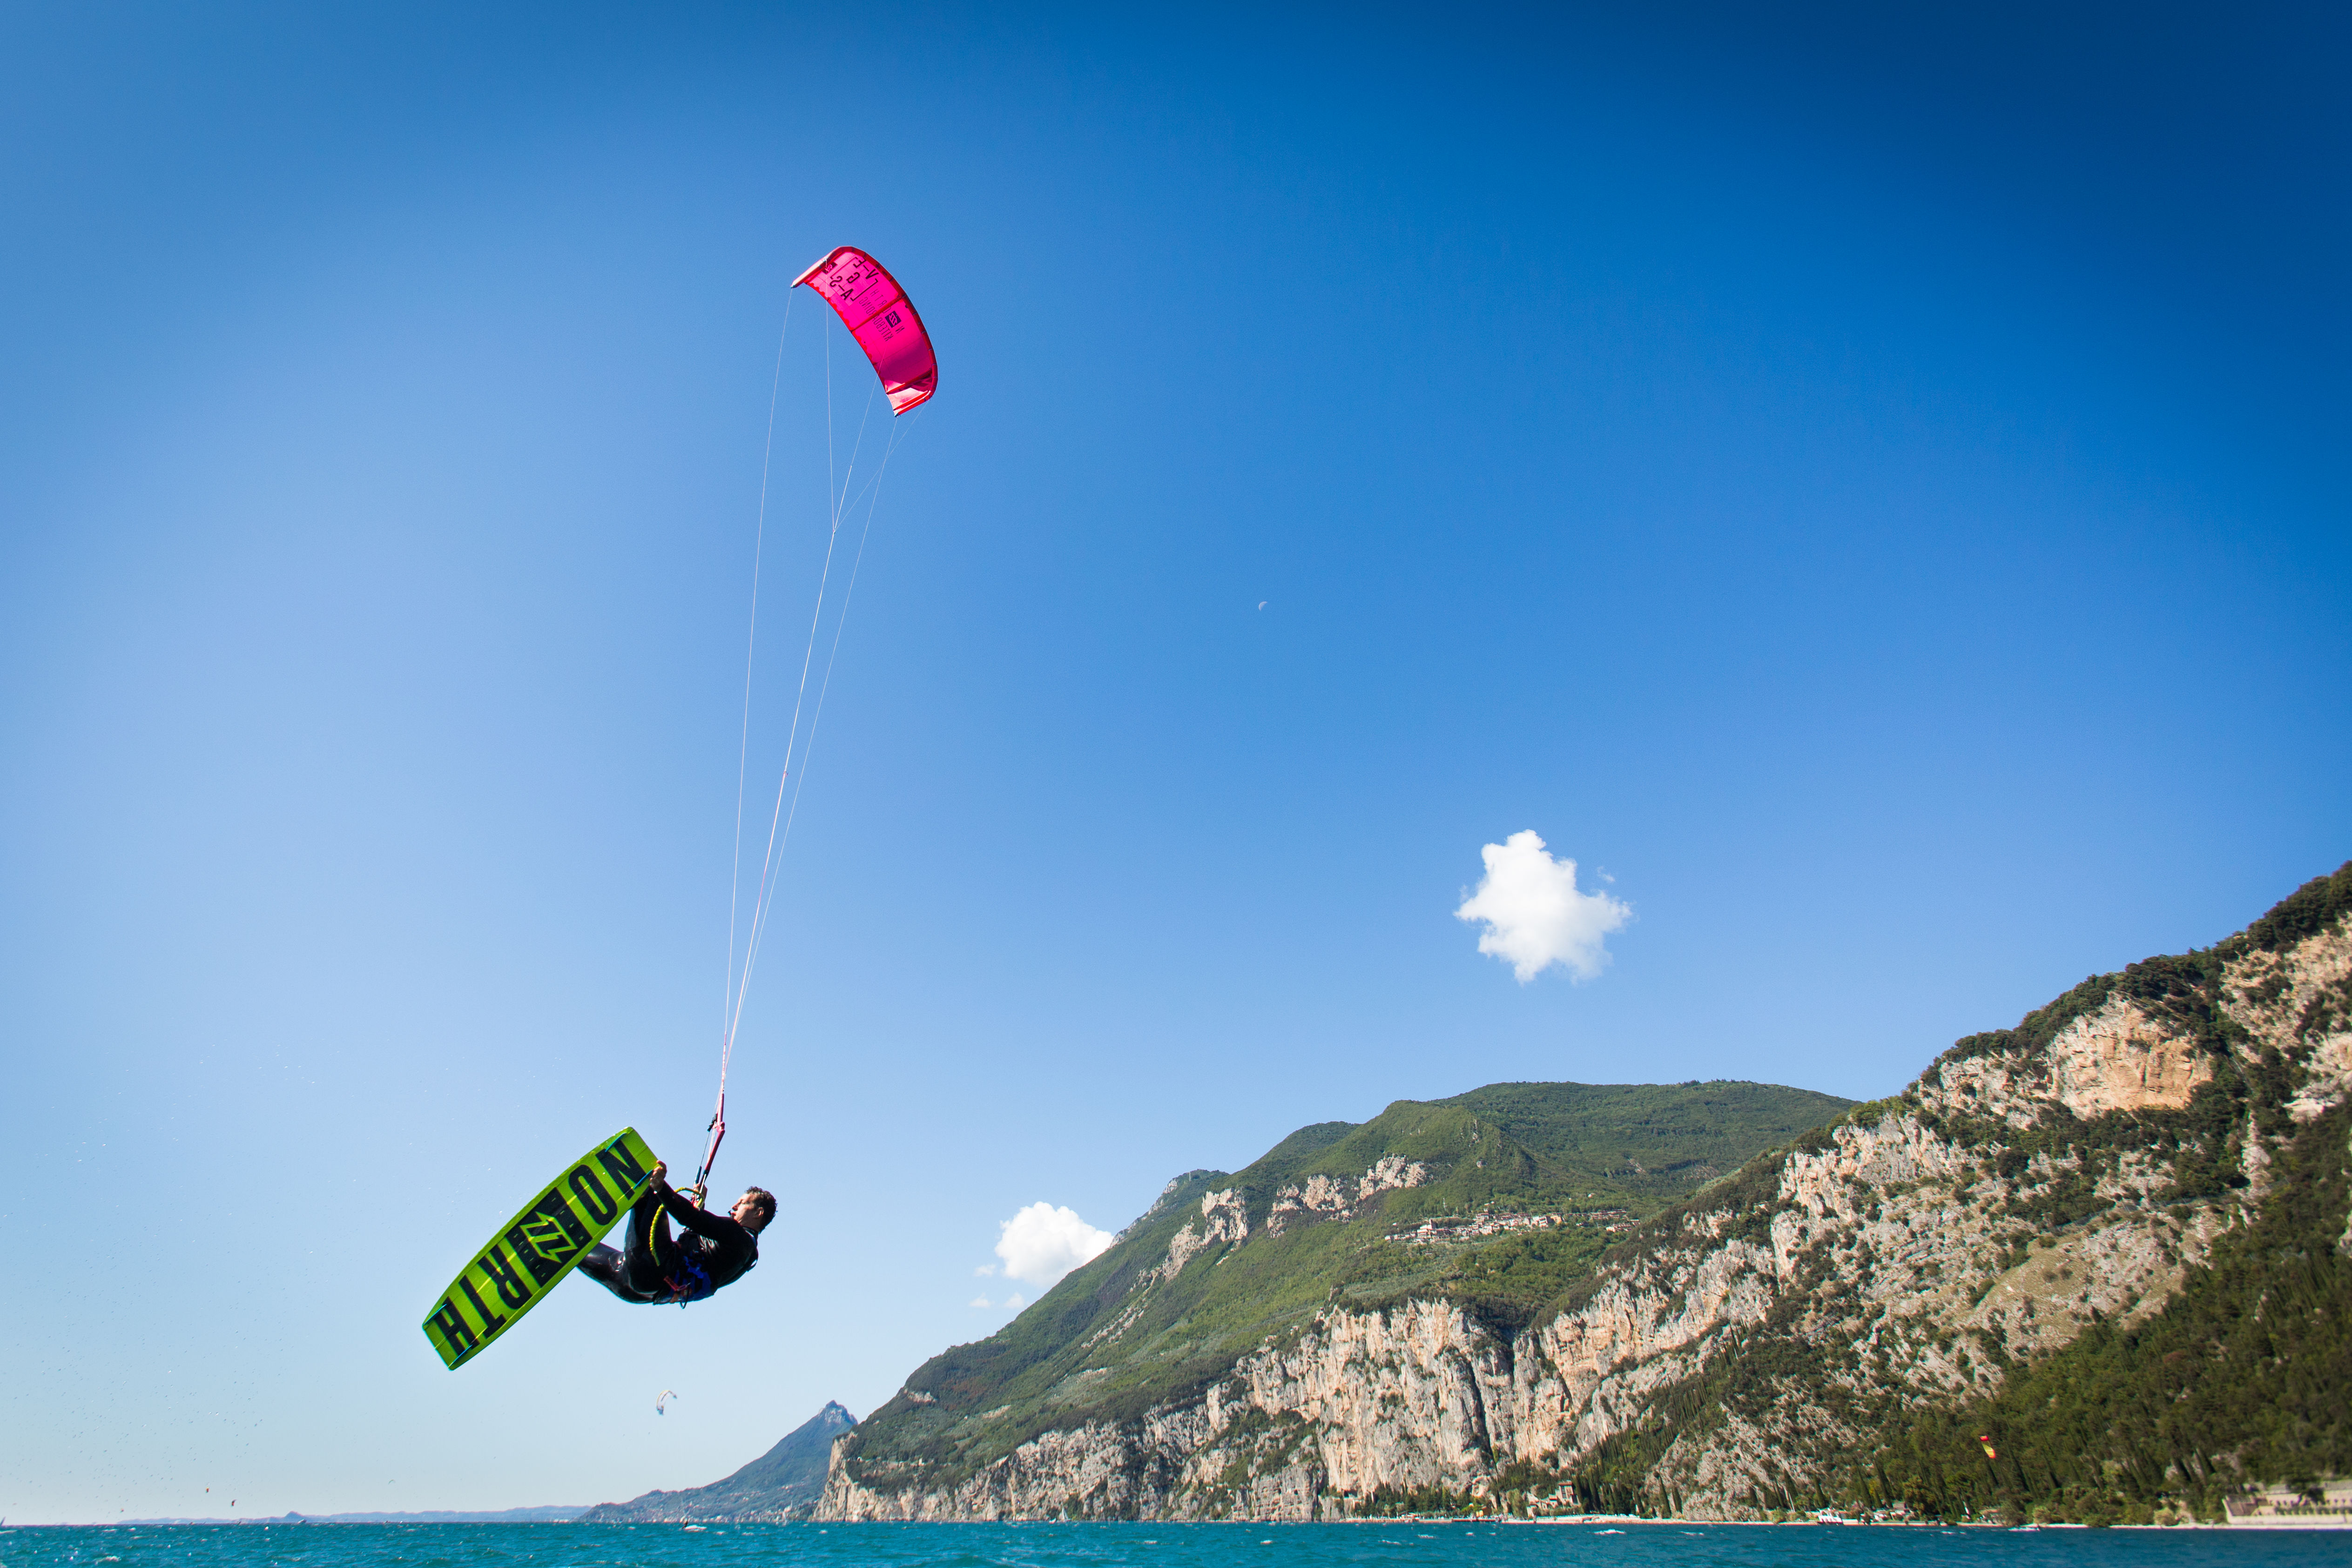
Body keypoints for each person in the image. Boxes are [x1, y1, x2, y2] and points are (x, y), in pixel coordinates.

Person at [579, 1161, 773, 1306]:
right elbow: (701, 1254)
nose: (734, 1207)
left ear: (758, 1213)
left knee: (650, 1194)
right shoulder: (747, 1258)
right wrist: (699, 1204)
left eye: (743, 1203)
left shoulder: (738, 1236)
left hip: (653, 1268)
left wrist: (661, 1186)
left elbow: (692, 1219)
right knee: (578, 1249)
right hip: (641, 1291)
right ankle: (556, 1242)